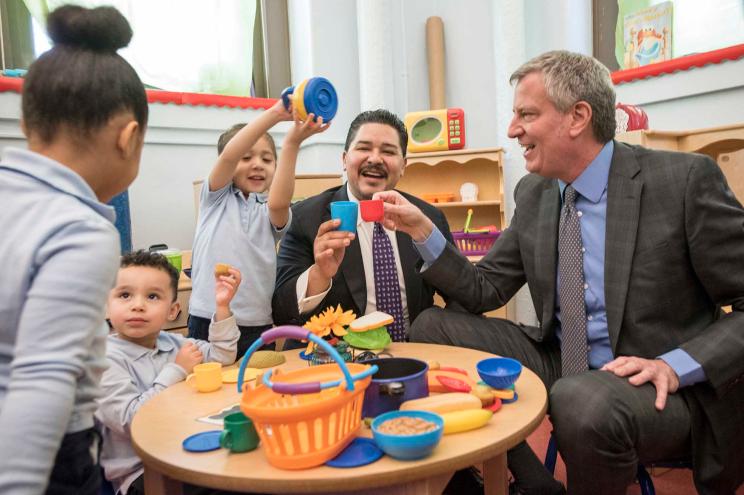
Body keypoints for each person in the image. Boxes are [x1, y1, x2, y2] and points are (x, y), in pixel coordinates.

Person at [376, 50, 744, 495]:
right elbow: (485, 288)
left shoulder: (683, 181)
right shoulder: (536, 192)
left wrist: (673, 365)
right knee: (431, 326)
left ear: (578, 117)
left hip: (655, 383)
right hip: (561, 358)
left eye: (526, 114)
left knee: (581, 399)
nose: (513, 130)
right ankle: (533, 481)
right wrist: (423, 228)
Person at [0, 5, 147, 494]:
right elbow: (43, 379)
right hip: (42, 456)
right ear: (128, 139)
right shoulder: (81, 229)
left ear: (27, 121)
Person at [272, 109, 455, 338]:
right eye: (364, 148)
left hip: (414, 355)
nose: (375, 159)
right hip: (341, 360)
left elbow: (458, 296)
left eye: (388, 151)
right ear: (344, 159)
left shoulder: (427, 219)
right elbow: (280, 311)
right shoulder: (304, 218)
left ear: (403, 165)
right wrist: (320, 273)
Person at [188, 101, 329, 358]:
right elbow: (229, 155)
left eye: (267, 159)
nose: (258, 165)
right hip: (207, 316)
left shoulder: (268, 211)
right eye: (247, 157)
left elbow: (279, 202)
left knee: (253, 389)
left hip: (256, 323)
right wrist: (275, 114)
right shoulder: (215, 199)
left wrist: (292, 145)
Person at [96, 250, 240, 495]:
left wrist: (223, 306)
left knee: (240, 473)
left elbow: (222, 357)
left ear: (173, 310)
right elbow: (133, 421)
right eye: (125, 295)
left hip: (186, 454)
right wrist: (177, 370)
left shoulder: (174, 344)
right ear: (106, 308)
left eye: (152, 296)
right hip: (142, 474)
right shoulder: (104, 360)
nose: (138, 305)